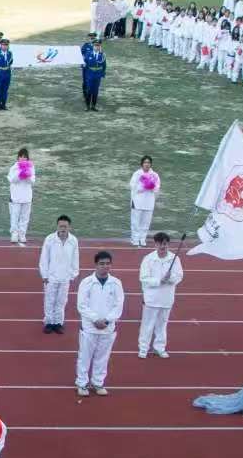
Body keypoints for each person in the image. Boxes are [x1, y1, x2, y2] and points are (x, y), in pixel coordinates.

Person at [75, 250, 125, 396]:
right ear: (96, 265)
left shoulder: (116, 283)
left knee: (103, 357)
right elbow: (82, 305)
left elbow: (119, 305)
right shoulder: (86, 282)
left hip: (108, 328)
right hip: (89, 327)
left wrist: (107, 320)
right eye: (102, 264)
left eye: (108, 264)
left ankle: (98, 382)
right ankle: (82, 383)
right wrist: (95, 319)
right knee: (85, 356)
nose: (105, 266)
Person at [138, 232, 184, 359]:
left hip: (166, 298)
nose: (163, 246)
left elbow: (179, 276)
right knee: (147, 325)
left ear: (168, 244)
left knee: (162, 325)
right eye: (160, 244)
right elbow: (143, 278)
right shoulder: (148, 259)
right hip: (151, 298)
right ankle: (143, 348)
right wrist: (159, 281)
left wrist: (170, 278)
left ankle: (159, 348)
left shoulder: (174, 259)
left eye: (165, 244)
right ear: (155, 244)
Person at [38, 215, 80, 334]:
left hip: (65, 277)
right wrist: (44, 275)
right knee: (49, 300)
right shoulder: (50, 239)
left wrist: (73, 274)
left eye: (65, 226)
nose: (63, 228)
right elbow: (44, 258)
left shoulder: (73, 241)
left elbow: (75, 258)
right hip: (51, 277)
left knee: (61, 301)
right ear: (57, 226)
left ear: (69, 227)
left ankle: (58, 323)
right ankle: (49, 322)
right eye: (61, 226)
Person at [128, 156, 159, 247]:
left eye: (148, 162)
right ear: (142, 164)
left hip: (149, 202)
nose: (147, 164)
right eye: (145, 162)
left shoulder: (154, 175)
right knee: (135, 222)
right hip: (137, 201)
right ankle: (135, 239)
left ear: (151, 164)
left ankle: (142, 239)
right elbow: (132, 185)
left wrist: (151, 186)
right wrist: (143, 186)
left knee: (146, 223)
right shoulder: (137, 174)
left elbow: (157, 187)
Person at [6, 148, 35, 244]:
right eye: (21, 157)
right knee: (14, 216)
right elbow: (12, 180)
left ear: (27, 158)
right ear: (18, 158)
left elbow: (32, 181)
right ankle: (14, 234)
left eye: (25, 157)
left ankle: (22, 234)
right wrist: (20, 174)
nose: (23, 158)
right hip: (16, 197)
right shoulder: (14, 168)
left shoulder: (31, 167)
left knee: (25, 217)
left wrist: (27, 175)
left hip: (27, 197)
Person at [83, 38, 107, 111]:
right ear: (93, 46)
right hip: (90, 75)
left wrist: (102, 74)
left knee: (95, 91)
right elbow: (84, 64)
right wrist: (83, 67)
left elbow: (104, 66)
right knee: (89, 90)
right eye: (95, 45)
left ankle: (93, 106)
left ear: (100, 46)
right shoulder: (88, 54)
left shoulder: (102, 55)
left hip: (97, 75)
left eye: (98, 45)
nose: (97, 47)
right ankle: (87, 106)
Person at [0, 38, 13, 110]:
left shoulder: (10, 53)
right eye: (3, 45)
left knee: (5, 89)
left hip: (7, 73)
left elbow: (11, 62)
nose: (5, 46)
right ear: (1, 45)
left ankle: (3, 105)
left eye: (6, 45)